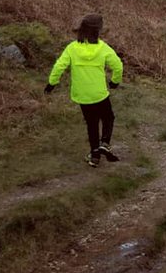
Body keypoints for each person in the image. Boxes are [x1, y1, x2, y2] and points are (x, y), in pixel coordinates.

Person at [45, 14, 124, 167]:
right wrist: (114, 82)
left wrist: (51, 83)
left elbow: (59, 66)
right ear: (97, 31)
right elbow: (118, 66)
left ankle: (95, 156)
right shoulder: (103, 48)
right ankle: (104, 143)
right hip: (99, 93)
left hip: (81, 94)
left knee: (91, 123)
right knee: (108, 117)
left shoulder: (72, 48)